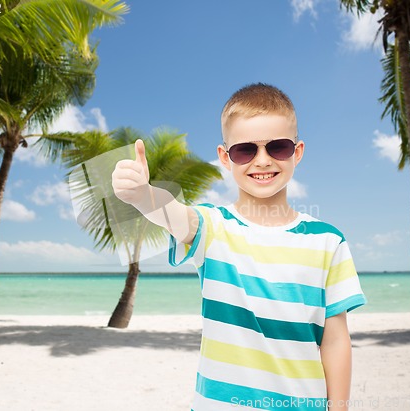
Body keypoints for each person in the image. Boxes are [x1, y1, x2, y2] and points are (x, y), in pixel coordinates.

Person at [112, 83, 366, 411]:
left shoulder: (328, 241)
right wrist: (144, 196)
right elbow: (176, 216)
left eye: (278, 147)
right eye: (245, 150)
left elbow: (334, 341)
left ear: (297, 152)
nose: (262, 161)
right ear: (225, 157)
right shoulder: (212, 227)